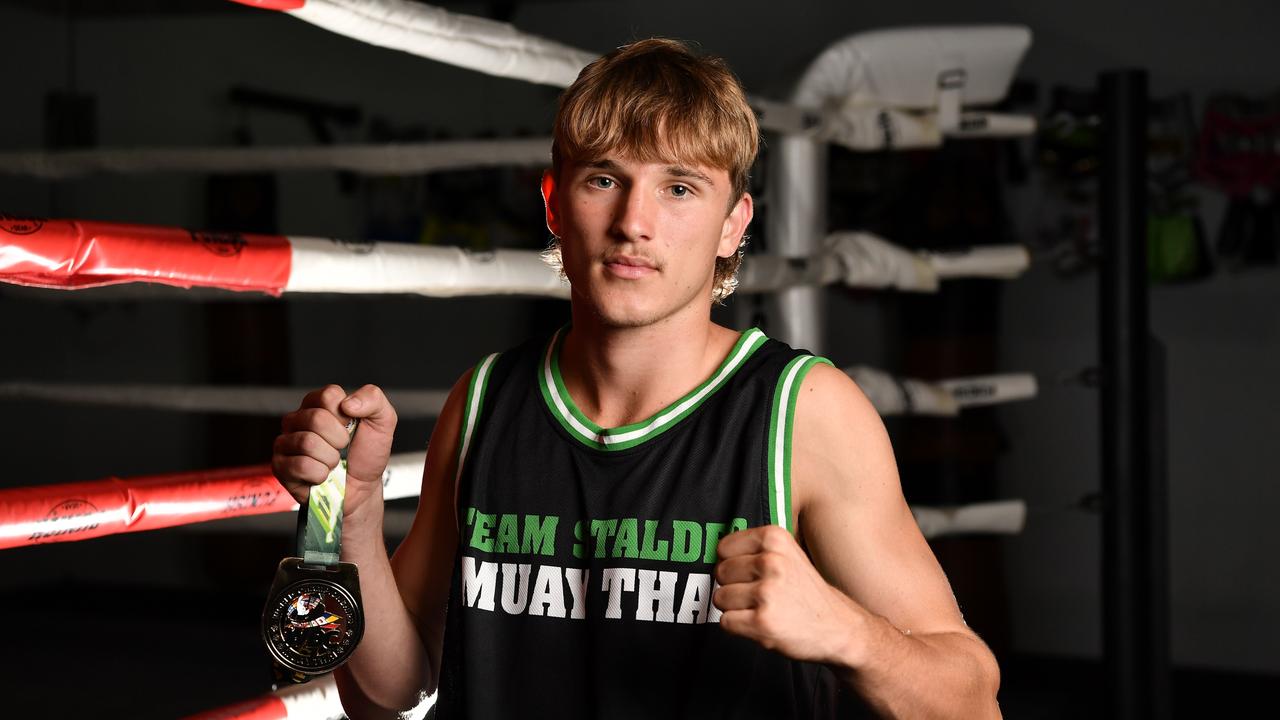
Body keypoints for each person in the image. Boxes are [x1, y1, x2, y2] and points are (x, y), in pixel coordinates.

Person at [272, 38, 1002, 719]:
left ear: (733, 225)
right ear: (555, 204)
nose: (633, 222)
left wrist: (847, 632)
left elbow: (970, 699)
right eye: (604, 179)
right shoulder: (487, 398)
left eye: (679, 188)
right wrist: (356, 515)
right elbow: (391, 691)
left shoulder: (805, 411)